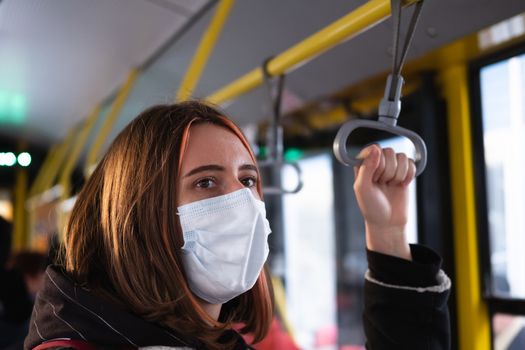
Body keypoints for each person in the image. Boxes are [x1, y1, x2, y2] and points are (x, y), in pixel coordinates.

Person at [24, 101, 450, 350]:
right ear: (138, 212)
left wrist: (389, 234)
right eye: (206, 182)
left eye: (248, 180)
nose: (242, 202)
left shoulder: (222, 337)